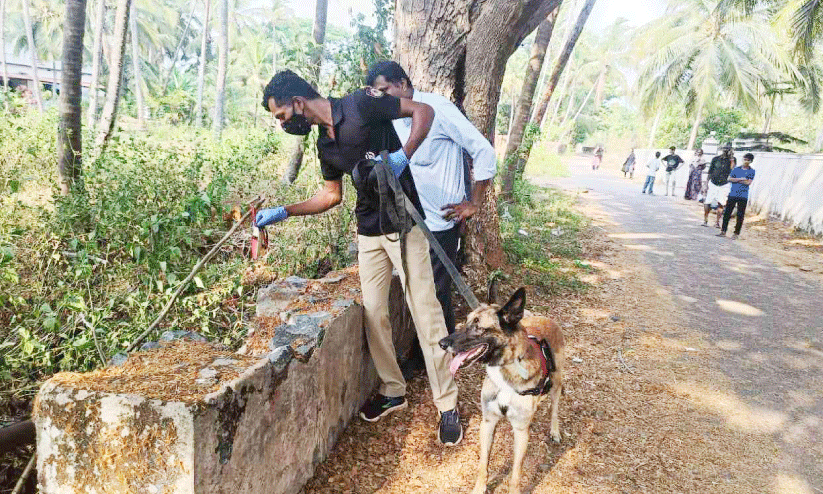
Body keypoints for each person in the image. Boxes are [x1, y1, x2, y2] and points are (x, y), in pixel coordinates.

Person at [256, 70, 463, 445]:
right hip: (368, 232)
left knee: (426, 310)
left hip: (405, 223)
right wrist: (285, 211)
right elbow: (330, 196)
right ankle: (393, 390)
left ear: (298, 103)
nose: (283, 124)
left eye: (282, 115)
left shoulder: (361, 103)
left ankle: (447, 405)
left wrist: (402, 156)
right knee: (374, 313)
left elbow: (423, 112)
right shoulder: (325, 145)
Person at [366, 61, 496, 336]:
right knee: (417, 290)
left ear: (402, 83)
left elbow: (483, 151)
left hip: (440, 221)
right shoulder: (390, 118)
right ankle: (429, 350)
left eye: (385, 90)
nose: (382, 98)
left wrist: (474, 203)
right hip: (409, 219)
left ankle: (444, 352)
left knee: (435, 291)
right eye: (377, 94)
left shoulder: (438, 109)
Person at [718, 153, 756, 239]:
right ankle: (723, 231)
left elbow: (748, 182)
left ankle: (736, 233)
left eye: (748, 160)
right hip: (733, 194)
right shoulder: (736, 169)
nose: (746, 161)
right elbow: (729, 179)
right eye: (745, 159)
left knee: (740, 215)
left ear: (751, 161)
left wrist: (736, 180)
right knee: (727, 213)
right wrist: (741, 179)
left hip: (743, 195)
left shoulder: (751, 171)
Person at [703, 144, 734, 227]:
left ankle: (717, 222)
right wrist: (706, 183)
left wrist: (731, 158)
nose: (726, 150)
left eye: (728, 149)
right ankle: (705, 220)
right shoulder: (715, 159)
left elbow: (732, 169)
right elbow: (710, 172)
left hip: (724, 184)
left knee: (721, 203)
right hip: (713, 182)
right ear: (722, 149)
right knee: (708, 201)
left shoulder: (732, 160)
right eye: (724, 149)